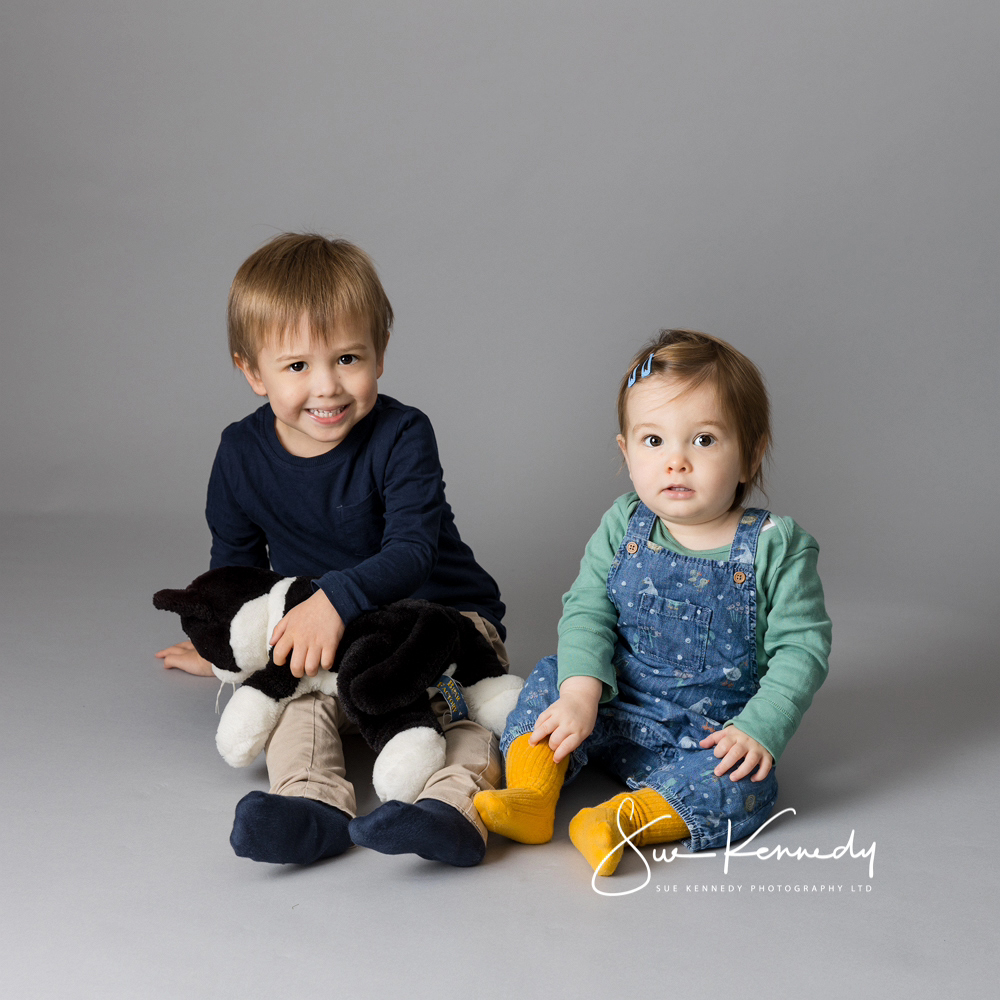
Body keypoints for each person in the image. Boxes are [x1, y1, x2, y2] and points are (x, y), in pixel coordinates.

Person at [156, 233, 506, 868]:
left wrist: (334, 600)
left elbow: (412, 551)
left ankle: (455, 810)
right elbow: (236, 570)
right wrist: (229, 648)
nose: (328, 387)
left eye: (348, 358)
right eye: (297, 366)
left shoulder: (403, 433)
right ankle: (310, 804)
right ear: (252, 371)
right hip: (334, 636)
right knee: (300, 702)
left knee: (467, 716)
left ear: (381, 352)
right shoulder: (239, 453)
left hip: (444, 623)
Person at [475, 330, 831, 877]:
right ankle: (532, 795)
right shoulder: (624, 524)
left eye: (704, 440)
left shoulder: (775, 546)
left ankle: (618, 821)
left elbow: (801, 650)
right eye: (654, 441)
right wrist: (580, 694)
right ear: (626, 450)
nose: (677, 462)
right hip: (609, 704)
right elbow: (587, 610)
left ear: (751, 453)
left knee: (747, 786)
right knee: (548, 679)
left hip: (709, 728)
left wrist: (760, 728)